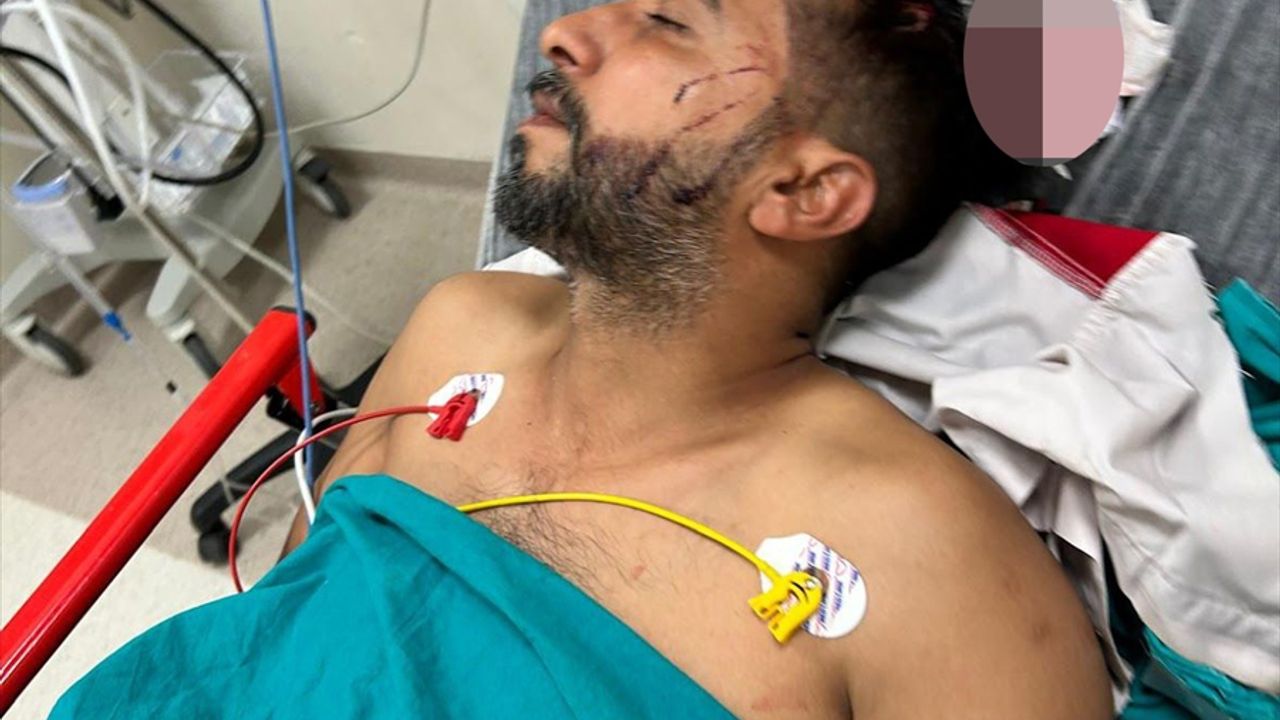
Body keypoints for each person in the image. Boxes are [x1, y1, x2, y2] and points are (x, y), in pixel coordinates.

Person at [280, 0, 1112, 717]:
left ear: (804, 191)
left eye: (669, 21)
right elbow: (282, 617)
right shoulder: (459, 325)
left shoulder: (922, 558)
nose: (563, 32)